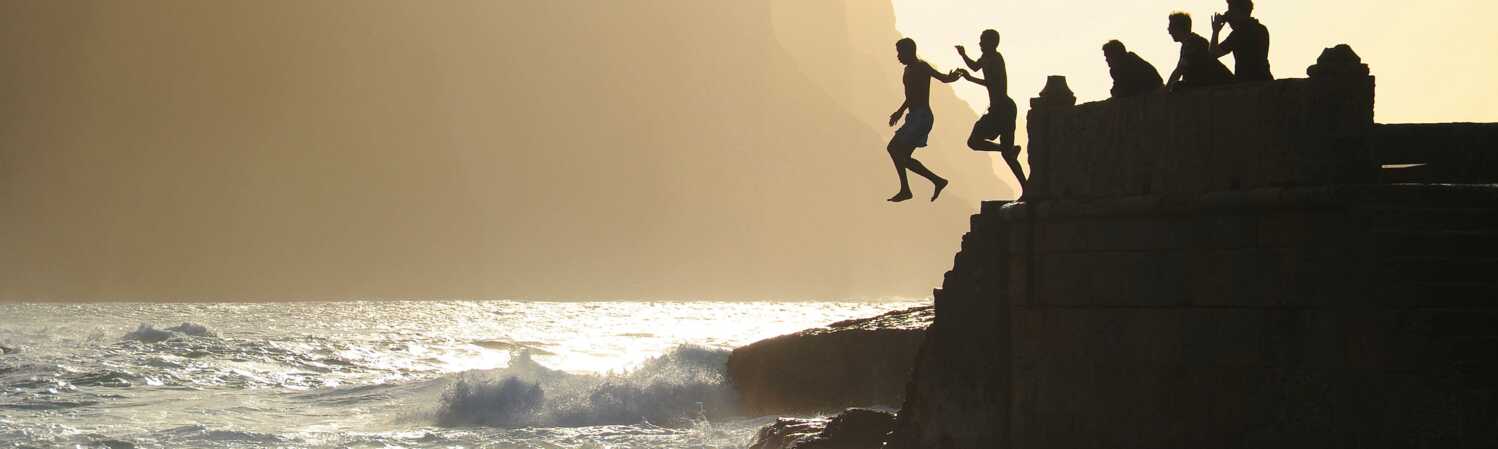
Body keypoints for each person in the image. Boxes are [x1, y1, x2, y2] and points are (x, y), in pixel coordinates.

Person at [886, 37, 963, 203]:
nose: (898, 56)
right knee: (898, 153)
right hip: (913, 117)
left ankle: (909, 189)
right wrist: (899, 112)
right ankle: (934, 182)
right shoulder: (908, 70)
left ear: (909, 51)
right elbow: (911, 96)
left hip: (922, 117)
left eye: (900, 53)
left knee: (896, 151)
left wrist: (955, 76)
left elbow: (942, 78)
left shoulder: (921, 67)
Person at [956, 29, 1027, 194]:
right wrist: (963, 55)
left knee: (980, 144)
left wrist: (970, 78)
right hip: (997, 109)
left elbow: (992, 83)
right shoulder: (986, 58)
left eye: (983, 41)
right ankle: (1007, 149)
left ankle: (1025, 187)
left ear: (992, 43)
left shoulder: (996, 58)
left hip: (1004, 109)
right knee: (975, 142)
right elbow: (974, 67)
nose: (980, 43)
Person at [1165, 12, 1234, 91]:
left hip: (1220, 86)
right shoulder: (1191, 42)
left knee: (1177, 87)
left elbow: (1179, 71)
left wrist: (1165, 91)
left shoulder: (1192, 43)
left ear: (1179, 27)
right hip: (1216, 84)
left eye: (1171, 27)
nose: (1169, 31)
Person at [1209, 0, 1273, 82]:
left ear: (1238, 12)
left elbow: (1212, 54)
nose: (1228, 14)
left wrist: (1215, 31)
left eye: (1231, 10)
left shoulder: (1239, 34)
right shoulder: (1261, 29)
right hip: (1265, 78)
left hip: (1246, 82)